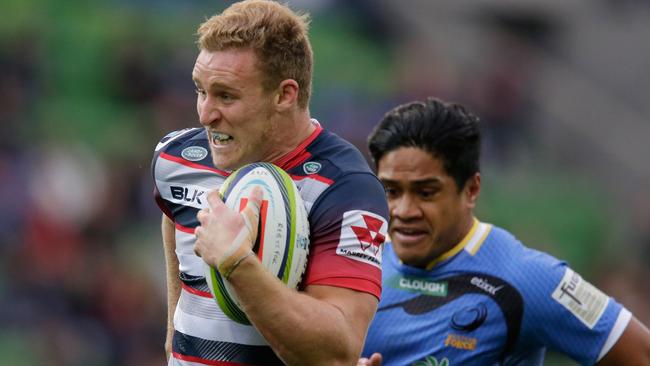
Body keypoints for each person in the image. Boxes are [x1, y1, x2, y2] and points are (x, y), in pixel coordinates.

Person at [151, 1, 389, 365]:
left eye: (226, 95)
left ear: (284, 95)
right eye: (201, 90)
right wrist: (172, 334)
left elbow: (337, 350)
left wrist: (235, 261)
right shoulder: (175, 157)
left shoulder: (346, 189)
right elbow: (173, 212)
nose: (205, 113)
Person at [358, 98, 650, 365]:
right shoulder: (356, 255)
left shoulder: (529, 278)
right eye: (391, 191)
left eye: (426, 192)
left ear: (471, 190)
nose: (404, 210)